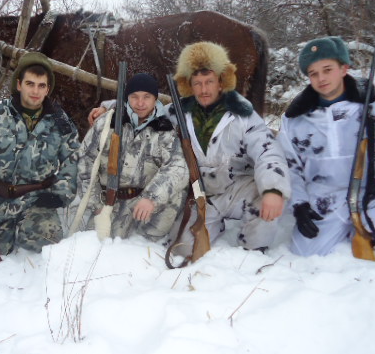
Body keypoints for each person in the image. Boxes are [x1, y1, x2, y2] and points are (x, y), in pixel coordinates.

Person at [90, 42, 291, 253]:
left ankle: (254, 254)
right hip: (199, 194)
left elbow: (268, 152)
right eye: (197, 83)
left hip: (237, 187)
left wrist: (273, 189)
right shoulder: (177, 112)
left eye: (209, 82)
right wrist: (108, 107)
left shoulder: (243, 114)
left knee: (264, 199)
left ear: (221, 82)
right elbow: (144, 109)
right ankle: (213, 226)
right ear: (189, 85)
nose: (204, 89)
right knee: (183, 250)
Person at [278, 36, 375, 262]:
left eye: (328, 69)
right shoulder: (295, 120)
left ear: (344, 68)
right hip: (325, 199)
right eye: (313, 73)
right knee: (305, 256)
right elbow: (289, 167)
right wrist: (299, 204)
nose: (321, 78)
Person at [0, 52, 80, 259]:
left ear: (48, 89)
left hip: (38, 199)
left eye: (41, 85)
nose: (35, 91)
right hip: (0, 199)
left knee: (48, 245)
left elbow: (72, 161)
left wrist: (60, 195)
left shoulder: (61, 122)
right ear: (19, 85)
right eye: (30, 83)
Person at [75, 72, 188, 241]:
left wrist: (151, 199)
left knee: (139, 252)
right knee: (93, 249)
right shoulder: (107, 123)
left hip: (141, 206)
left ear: (155, 99)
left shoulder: (165, 131)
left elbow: (178, 169)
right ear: (127, 97)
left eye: (146, 97)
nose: (140, 103)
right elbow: (84, 161)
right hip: (106, 204)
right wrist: (97, 205)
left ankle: (147, 242)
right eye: (134, 96)